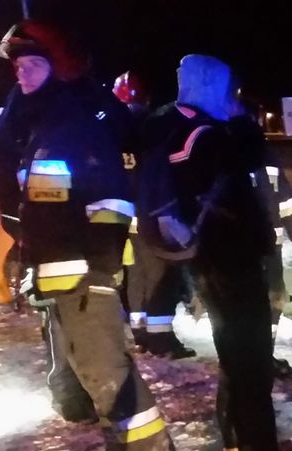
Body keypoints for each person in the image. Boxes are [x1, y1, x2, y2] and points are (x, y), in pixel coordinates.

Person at [0, 20, 170, 451]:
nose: (22, 75)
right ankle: (125, 446)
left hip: (84, 274)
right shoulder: (45, 128)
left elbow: (108, 199)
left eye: (32, 64)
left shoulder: (77, 127)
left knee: (104, 365)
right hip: (61, 274)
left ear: (57, 69)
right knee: (93, 370)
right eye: (19, 67)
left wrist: (99, 266)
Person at [143, 54, 292, 451]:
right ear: (211, 88)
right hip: (231, 261)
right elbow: (249, 154)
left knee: (236, 362)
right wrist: (241, 123)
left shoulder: (173, 129)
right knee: (252, 364)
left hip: (209, 260)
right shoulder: (210, 136)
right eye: (227, 91)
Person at [116, 70, 196, 360]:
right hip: (150, 215)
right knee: (162, 277)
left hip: (122, 219)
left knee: (136, 276)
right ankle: (161, 340)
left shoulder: (112, 128)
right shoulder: (150, 129)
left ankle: (140, 334)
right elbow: (158, 174)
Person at [229, 89, 292, 378]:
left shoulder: (268, 155)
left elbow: (285, 198)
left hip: (270, 246)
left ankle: (263, 355)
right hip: (239, 249)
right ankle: (244, 360)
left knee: (274, 300)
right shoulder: (224, 155)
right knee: (244, 304)